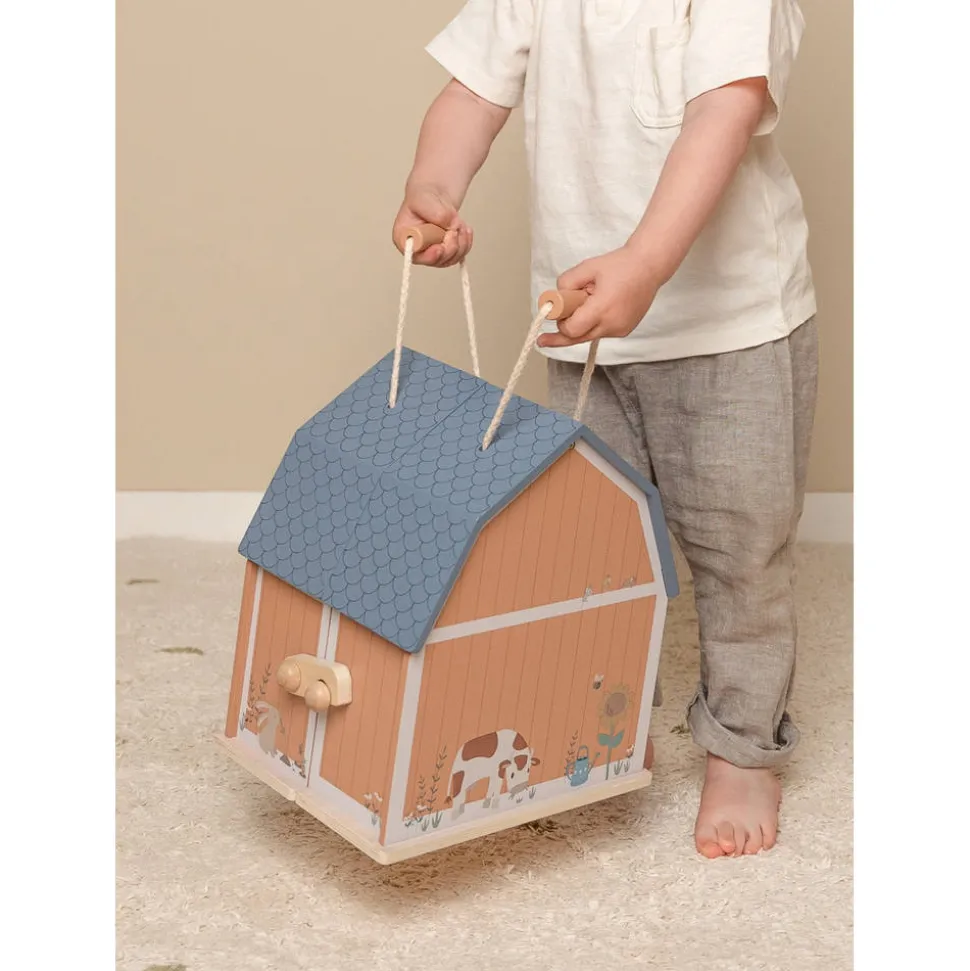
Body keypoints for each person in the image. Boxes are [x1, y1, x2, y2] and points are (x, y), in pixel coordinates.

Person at [392, 0, 817, 859]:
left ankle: (742, 745)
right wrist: (431, 191)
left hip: (729, 327)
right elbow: (472, 92)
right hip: (586, 328)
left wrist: (646, 263)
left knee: (742, 551)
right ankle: (604, 719)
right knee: (589, 548)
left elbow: (725, 109)